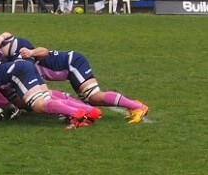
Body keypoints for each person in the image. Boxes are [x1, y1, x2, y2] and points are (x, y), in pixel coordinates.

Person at [19, 47, 149, 124]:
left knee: (93, 96)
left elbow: (44, 51)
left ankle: (137, 106)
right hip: (70, 67)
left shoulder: (22, 57)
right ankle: (81, 111)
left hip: (72, 63)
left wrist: (31, 52)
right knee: (88, 98)